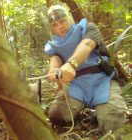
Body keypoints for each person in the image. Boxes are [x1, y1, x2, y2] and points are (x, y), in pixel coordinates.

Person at [44, 4, 126, 132]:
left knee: (113, 124)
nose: (60, 26)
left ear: (69, 18)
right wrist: (53, 70)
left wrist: (71, 64)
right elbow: (55, 58)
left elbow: (87, 45)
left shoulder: (87, 28)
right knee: (56, 116)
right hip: (77, 87)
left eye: (62, 21)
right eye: (54, 24)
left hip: (102, 82)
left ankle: (103, 111)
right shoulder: (55, 44)